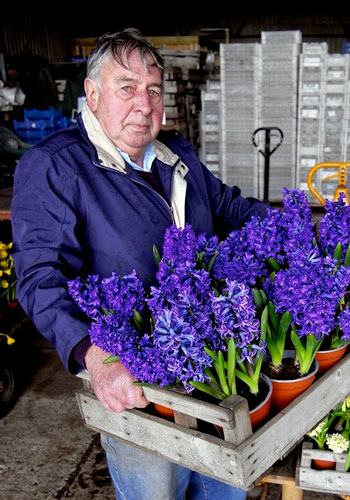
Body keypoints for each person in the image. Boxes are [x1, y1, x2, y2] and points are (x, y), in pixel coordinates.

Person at [11, 28, 267, 500]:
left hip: (212, 370)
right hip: (140, 390)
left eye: (152, 89)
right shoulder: (57, 167)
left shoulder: (177, 156)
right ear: (92, 94)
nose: (143, 103)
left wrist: (297, 230)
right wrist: (96, 355)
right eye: (125, 87)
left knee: (224, 490)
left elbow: (230, 209)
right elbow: (39, 277)